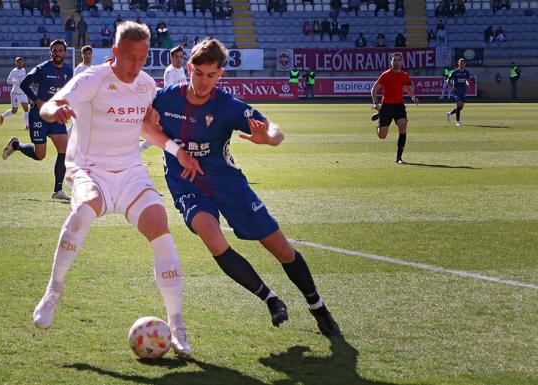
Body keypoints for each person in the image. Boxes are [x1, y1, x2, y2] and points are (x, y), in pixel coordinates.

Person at [150, 38, 342, 339]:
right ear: (189, 68)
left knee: (280, 247)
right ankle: (270, 298)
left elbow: (273, 129)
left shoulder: (227, 106)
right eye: (198, 73)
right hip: (185, 183)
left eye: (211, 75)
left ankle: (317, 306)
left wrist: (270, 139)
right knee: (212, 239)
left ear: (220, 75)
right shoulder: (164, 98)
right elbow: (142, 121)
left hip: (228, 183)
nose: (203, 81)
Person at [34, 20, 201, 358]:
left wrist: (176, 150)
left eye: (141, 58)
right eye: (128, 58)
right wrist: (57, 109)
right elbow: (48, 106)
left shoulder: (145, 85)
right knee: (84, 209)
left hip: (130, 174)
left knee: (161, 227)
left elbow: (147, 128)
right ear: (114, 53)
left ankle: (178, 326)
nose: (134, 66)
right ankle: (53, 292)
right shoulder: (92, 79)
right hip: (89, 170)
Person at [1, 39, 73, 201]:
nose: (57, 53)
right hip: (38, 115)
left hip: (56, 116)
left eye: (60, 51)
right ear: (50, 53)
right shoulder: (42, 69)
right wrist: (37, 100)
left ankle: (58, 190)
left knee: (64, 149)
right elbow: (25, 84)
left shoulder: (69, 71)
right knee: (40, 155)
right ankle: (16, 145)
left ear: (65, 53)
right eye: (54, 51)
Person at [370, 52, 419, 164]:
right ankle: (380, 117)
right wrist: (376, 103)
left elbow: (407, 87)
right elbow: (374, 89)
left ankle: (399, 158)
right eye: (394, 60)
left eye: (398, 60)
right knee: (382, 136)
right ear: (391, 62)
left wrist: (413, 97)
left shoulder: (405, 75)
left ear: (401, 62)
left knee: (403, 126)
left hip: (399, 106)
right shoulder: (385, 75)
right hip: (386, 106)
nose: (396, 62)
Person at [0, 57, 30, 130]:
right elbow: (8, 80)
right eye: (18, 62)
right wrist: (17, 82)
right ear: (16, 63)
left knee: (26, 108)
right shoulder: (14, 71)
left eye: (21, 62)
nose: (20, 63)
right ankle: (2, 116)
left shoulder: (23, 70)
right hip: (15, 94)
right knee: (14, 111)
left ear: (22, 62)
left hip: (23, 93)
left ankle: (27, 125)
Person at [446, 58, 471, 126]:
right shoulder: (454, 72)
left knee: (461, 107)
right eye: (460, 63)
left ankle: (450, 114)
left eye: (463, 63)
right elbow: (448, 80)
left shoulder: (466, 72)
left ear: (465, 64)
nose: (461, 64)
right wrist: (452, 87)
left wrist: (468, 84)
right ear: (458, 63)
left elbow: (467, 80)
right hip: (456, 91)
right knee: (459, 104)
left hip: (463, 90)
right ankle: (458, 121)